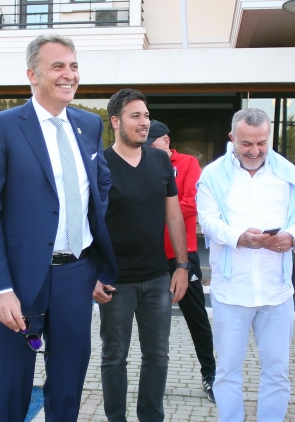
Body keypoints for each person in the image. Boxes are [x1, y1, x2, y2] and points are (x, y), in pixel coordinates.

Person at [0, 34, 118, 422]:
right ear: (32, 75)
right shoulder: (2, 126)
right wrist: (0, 288)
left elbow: (99, 184)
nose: (69, 74)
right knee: (13, 388)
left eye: (73, 66)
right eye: (58, 66)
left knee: (68, 387)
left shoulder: (89, 124)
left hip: (76, 277)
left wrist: (90, 250)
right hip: (18, 283)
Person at [197, 108, 295, 422]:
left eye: (262, 143)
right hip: (232, 291)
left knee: (277, 372)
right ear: (232, 138)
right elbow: (208, 221)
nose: (255, 150)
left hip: (276, 291)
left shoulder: (286, 172)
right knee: (227, 372)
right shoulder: (212, 175)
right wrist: (240, 238)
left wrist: (291, 236)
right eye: (246, 143)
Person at [93, 89, 189, 422]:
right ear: (116, 122)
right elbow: (87, 222)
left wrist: (182, 266)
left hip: (158, 278)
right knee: (114, 356)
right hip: (115, 282)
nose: (144, 122)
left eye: (146, 115)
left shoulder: (161, 161)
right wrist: (92, 274)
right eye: (136, 116)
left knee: (158, 356)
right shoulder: (99, 165)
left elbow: (174, 216)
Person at [146, 119, 217, 404]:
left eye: (152, 145)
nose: (148, 150)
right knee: (153, 322)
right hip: (150, 255)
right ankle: (154, 379)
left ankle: (210, 374)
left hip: (182, 256)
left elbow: (192, 203)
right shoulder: (142, 162)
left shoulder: (187, 163)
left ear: (166, 141)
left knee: (196, 317)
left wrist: (153, 210)